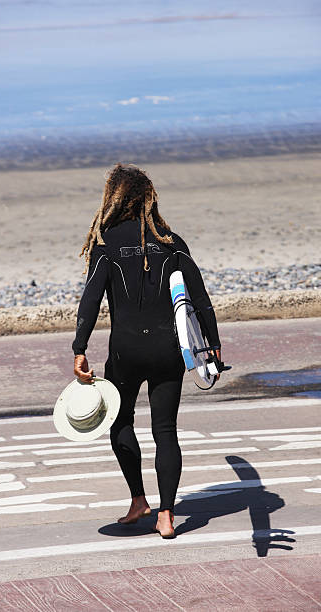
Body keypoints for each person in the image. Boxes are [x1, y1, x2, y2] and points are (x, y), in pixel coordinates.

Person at [72, 163, 221, 538]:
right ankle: (166, 515)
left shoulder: (104, 243)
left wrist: (80, 348)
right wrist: (213, 347)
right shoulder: (171, 241)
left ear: (114, 199)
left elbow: (90, 301)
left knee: (120, 423)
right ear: (147, 198)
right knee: (165, 431)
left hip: (125, 352)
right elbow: (200, 299)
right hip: (167, 350)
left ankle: (139, 499)